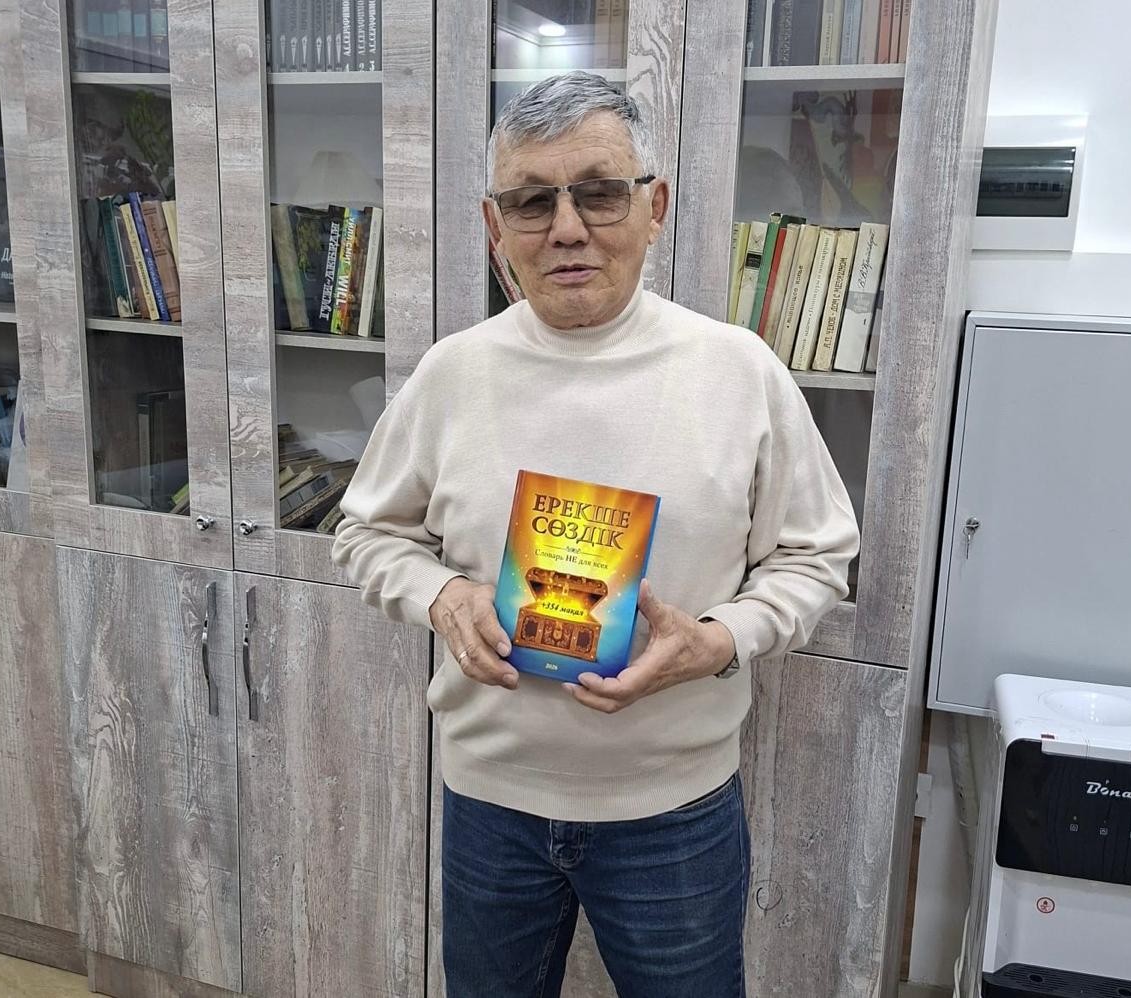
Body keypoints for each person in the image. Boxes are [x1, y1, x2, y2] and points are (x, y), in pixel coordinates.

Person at [331, 70, 860, 998]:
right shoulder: (452, 375)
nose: (567, 229)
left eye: (600, 193)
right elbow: (366, 534)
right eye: (532, 202)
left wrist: (721, 640)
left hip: (674, 813)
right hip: (489, 804)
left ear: (655, 208)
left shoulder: (739, 372)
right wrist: (442, 595)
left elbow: (817, 555)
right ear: (495, 228)